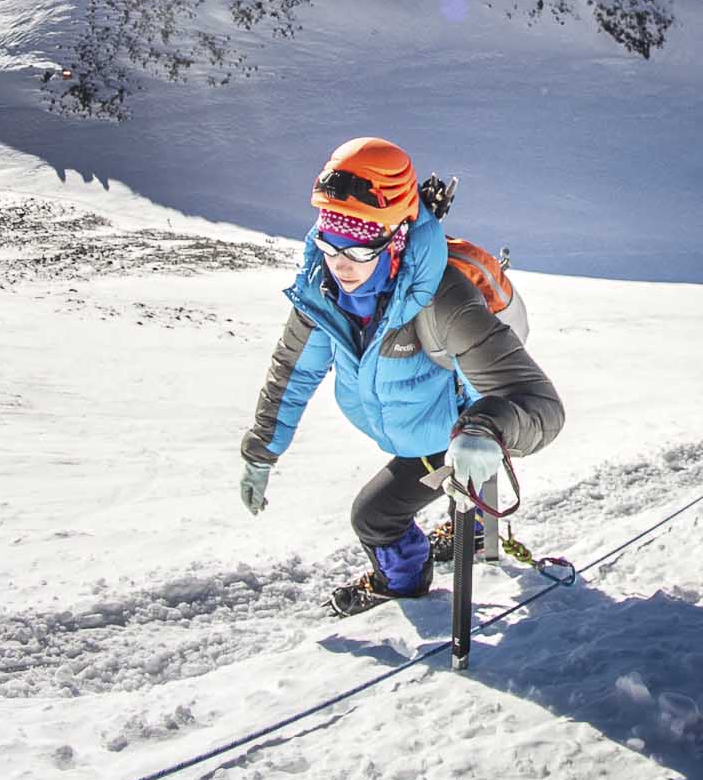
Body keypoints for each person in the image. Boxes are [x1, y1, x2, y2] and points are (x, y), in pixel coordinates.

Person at [238, 137, 565, 616]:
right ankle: (468, 528)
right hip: (410, 423)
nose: (341, 264)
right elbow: (293, 371)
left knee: (375, 518)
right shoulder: (322, 287)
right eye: (330, 242)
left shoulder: (442, 301)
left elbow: (539, 403)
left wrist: (485, 431)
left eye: (358, 247)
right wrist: (261, 451)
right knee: (412, 484)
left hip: (452, 435)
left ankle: (404, 587)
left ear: (393, 240)